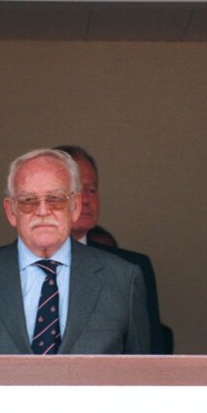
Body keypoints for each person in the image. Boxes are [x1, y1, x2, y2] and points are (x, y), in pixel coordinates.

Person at [0, 148, 150, 354]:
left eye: (55, 199)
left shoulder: (122, 281)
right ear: (11, 212)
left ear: (75, 207)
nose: (42, 211)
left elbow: (143, 384)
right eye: (28, 200)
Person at [53, 145, 169, 354]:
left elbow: (149, 357)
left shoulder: (130, 270)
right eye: (75, 190)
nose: (86, 200)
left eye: (91, 189)